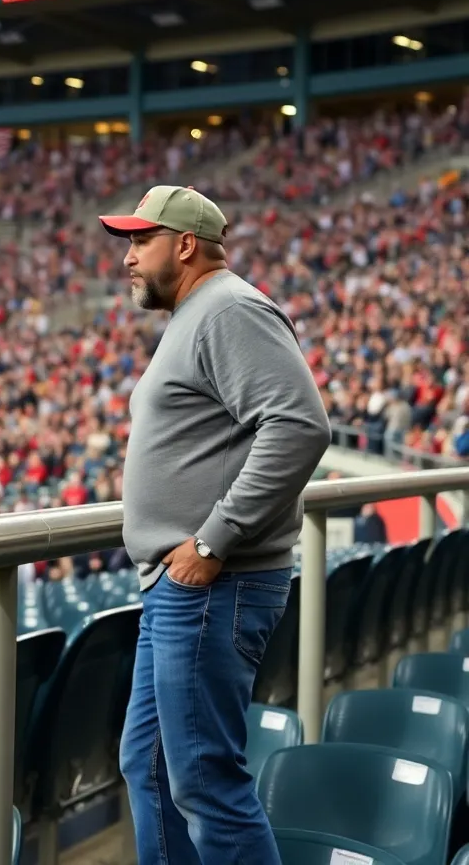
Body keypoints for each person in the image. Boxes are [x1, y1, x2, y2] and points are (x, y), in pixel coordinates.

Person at [99, 185, 331, 865]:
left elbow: (299, 426)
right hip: (182, 587)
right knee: (149, 765)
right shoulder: (198, 314)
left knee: (204, 780)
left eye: (141, 241)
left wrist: (212, 540)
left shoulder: (229, 309)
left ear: (184, 245)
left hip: (212, 585)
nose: (128, 258)